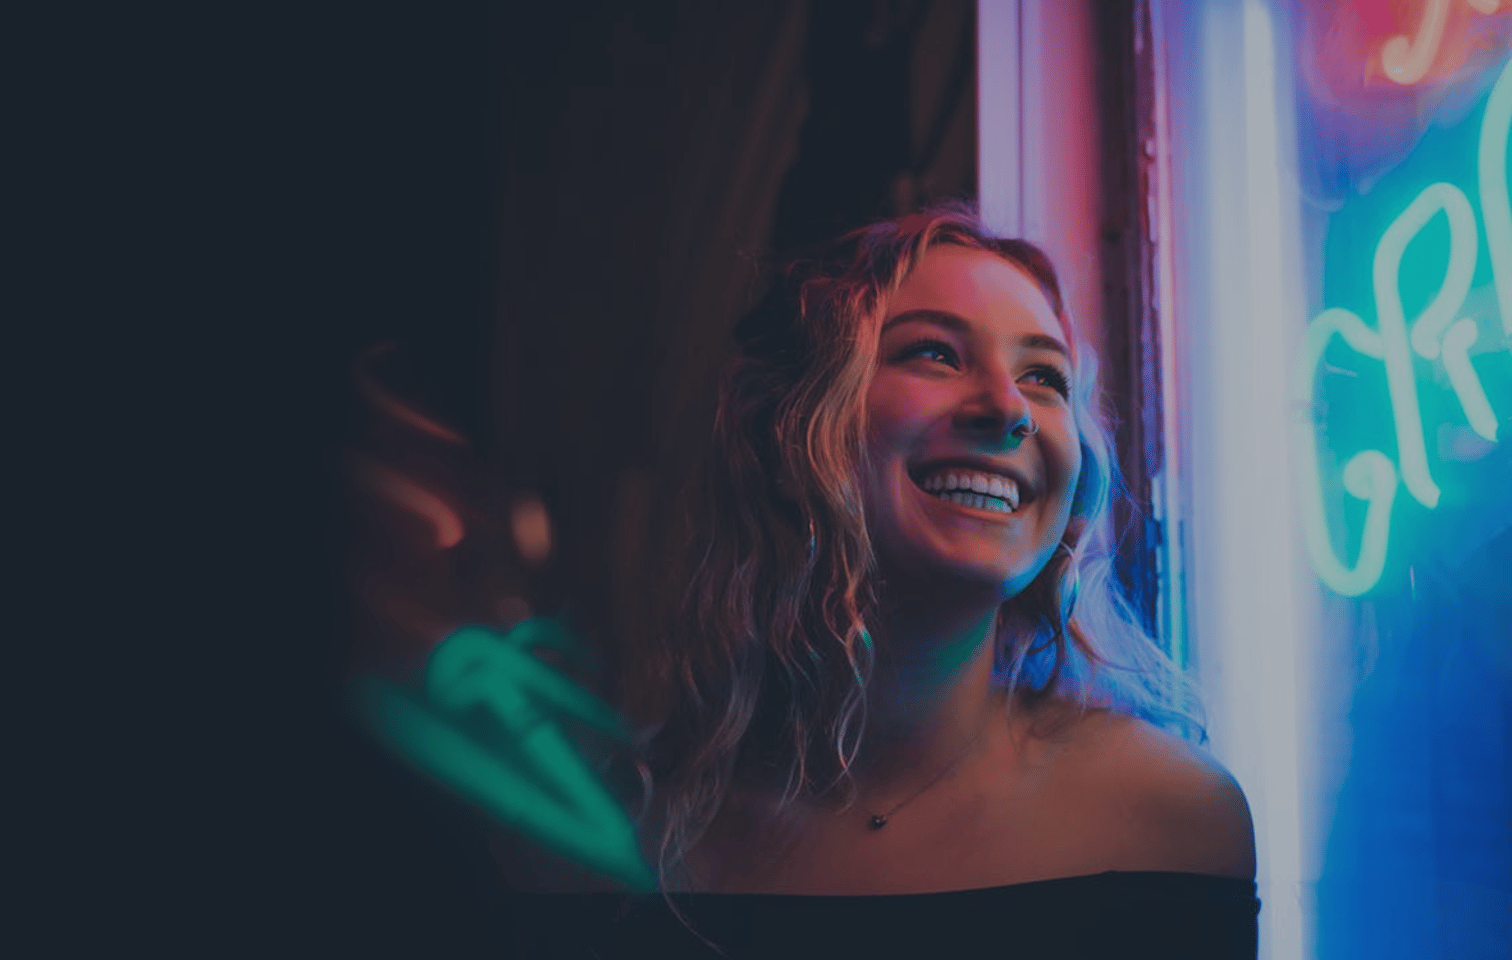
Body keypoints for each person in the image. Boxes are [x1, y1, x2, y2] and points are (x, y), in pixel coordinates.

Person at [503, 202, 1259, 957]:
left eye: (1044, 377)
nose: (1009, 411)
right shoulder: (618, 834)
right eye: (934, 354)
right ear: (788, 430)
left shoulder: (1171, 818)